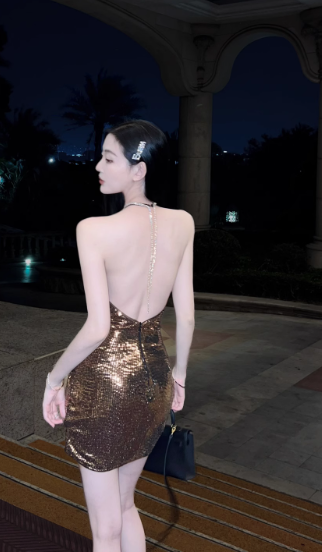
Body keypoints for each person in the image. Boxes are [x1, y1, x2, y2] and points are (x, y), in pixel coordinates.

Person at [42, 119, 195, 552]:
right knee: (127, 505)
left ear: (138, 169)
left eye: (108, 159)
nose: (97, 166)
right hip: (155, 381)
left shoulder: (93, 229)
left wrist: (54, 379)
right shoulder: (183, 222)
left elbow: (98, 328)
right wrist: (180, 377)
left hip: (104, 385)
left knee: (105, 529)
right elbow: (186, 318)